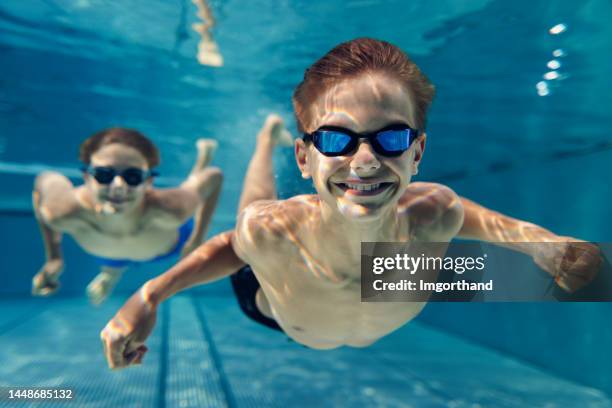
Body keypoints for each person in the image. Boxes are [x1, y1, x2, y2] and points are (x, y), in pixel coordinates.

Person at [100, 38, 601, 368]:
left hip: (379, 281)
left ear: (417, 152)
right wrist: (150, 296)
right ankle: (264, 140)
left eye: (390, 139)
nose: (364, 162)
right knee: (256, 213)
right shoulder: (274, 234)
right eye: (337, 140)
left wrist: (546, 245)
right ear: (305, 157)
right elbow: (232, 243)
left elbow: (480, 221)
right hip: (279, 303)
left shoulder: (435, 215)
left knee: (406, 264)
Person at [32, 127, 223, 305]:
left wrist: (196, 239)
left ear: (148, 182)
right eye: (104, 174)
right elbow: (43, 180)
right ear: (87, 177)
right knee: (114, 259)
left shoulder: (170, 210)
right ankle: (111, 274)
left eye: (133, 177)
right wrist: (54, 257)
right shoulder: (62, 211)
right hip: (109, 252)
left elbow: (214, 177)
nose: (118, 186)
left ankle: (201, 162)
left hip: (169, 244)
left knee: (192, 189)